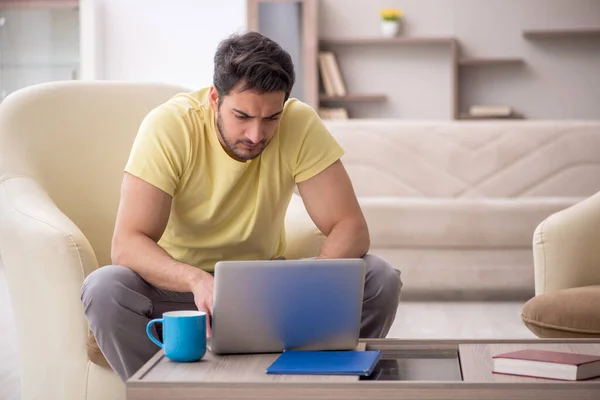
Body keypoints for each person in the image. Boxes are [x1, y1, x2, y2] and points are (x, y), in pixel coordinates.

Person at [80, 31, 402, 382]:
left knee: (379, 278)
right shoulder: (170, 126)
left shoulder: (299, 122)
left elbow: (351, 227)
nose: (255, 134)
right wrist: (195, 280)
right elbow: (127, 244)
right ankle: (166, 393)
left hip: (269, 294)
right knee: (104, 288)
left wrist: (312, 285)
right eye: (243, 116)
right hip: (178, 295)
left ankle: (320, 383)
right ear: (215, 98)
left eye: (271, 119)